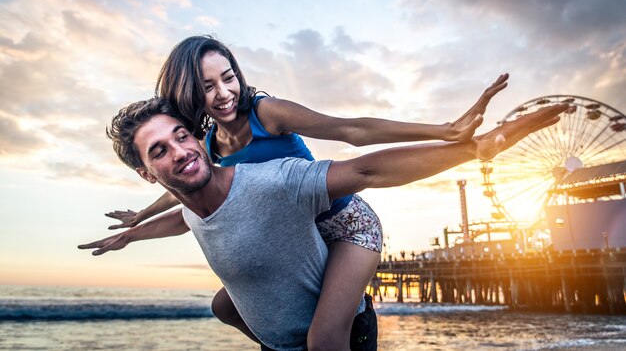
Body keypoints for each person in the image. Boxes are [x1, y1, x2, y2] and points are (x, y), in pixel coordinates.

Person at [104, 36, 510, 350]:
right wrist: (140, 218)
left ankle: (352, 329)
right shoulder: (206, 146)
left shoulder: (267, 113)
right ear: (190, 93)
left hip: (347, 225)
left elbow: (352, 131)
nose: (224, 92)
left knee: (323, 342)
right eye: (208, 86)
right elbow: (183, 190)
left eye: (228, 77)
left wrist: (444, 131)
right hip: (301, 236)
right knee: (226, 307)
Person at [80, 97, 566, 351]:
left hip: (347, 293)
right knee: (223, 306)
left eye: (181, 136)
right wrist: (133, 233)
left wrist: (471, 148)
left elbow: (365, 168)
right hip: (279, 336)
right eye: (160, 150)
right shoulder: (192, 201)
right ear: (146, 173)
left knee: (322, 340)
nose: (181, 151)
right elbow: (183, 221)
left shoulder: (270, 180)